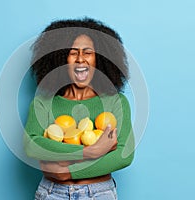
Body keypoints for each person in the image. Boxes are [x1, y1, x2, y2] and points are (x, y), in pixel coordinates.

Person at [24, 17, 134, 200]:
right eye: (73, 52)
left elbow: (124, 155)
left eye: (88, 52)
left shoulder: (116, 102)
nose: (80, 59)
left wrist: (68, 172)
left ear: (99, 59)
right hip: (52, 193)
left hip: (99, 193)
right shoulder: (43, 102)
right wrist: (91, 151)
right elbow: (32, 144)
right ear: (61, 59)